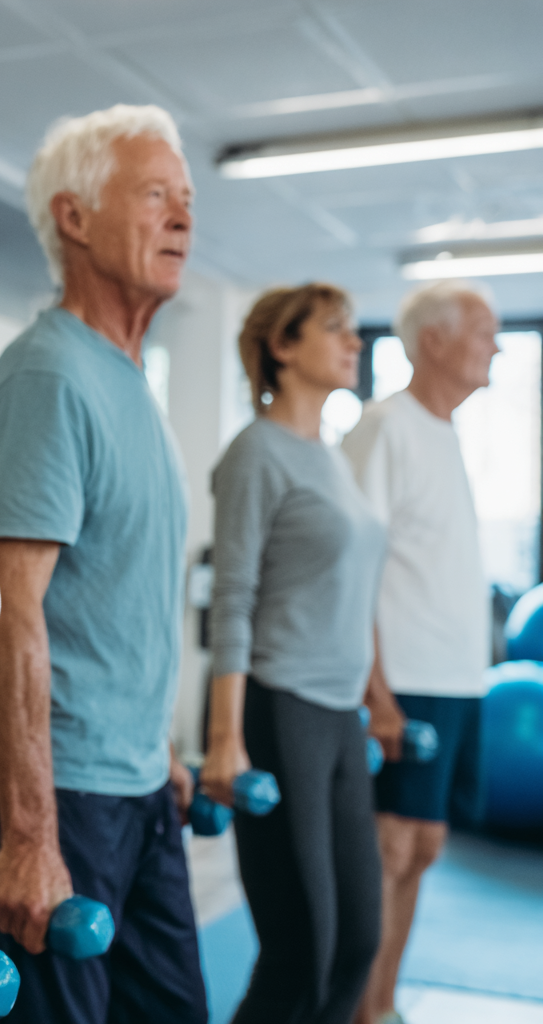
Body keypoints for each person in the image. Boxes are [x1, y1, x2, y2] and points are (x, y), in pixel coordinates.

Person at [0, 105, 206, 1023]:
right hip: (55, 793)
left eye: (186, 200)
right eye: (154, 196)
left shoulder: (129, 381)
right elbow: (8, 609)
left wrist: (162, 747)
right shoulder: (48, 375)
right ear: (75, 217)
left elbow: (114, 594)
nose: (182, 217)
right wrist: (27, 833)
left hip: (134, 783)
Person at [203, 284, 386, 1024]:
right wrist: (225, 742)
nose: (355, 343)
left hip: (341, 716)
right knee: (301, 948)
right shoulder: (256, 452)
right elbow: (232, 598)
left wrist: (378, 699)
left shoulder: (332, 456)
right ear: (284, 346)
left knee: (356, 943)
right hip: (282, 710)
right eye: (336, 330)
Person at [343, 281, 498, 1024]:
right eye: (483, 331)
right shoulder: (385, 426)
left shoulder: (444, 431)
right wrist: (376, 694)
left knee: (425, 845)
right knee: (390, 850)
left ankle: (383, 1003)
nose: (495, 345)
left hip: (456, 681)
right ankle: (358, 1009)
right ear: (433, 340)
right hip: (403, 683)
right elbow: (356, 567)